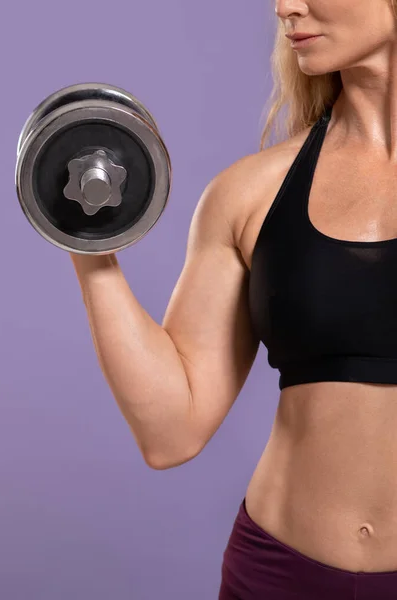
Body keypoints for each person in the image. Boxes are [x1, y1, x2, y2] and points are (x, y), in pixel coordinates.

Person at [69, 0, 397, 597]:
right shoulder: (250, 194)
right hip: (279, 573)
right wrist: (90, 246)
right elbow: (172, 431)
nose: (284, 6)